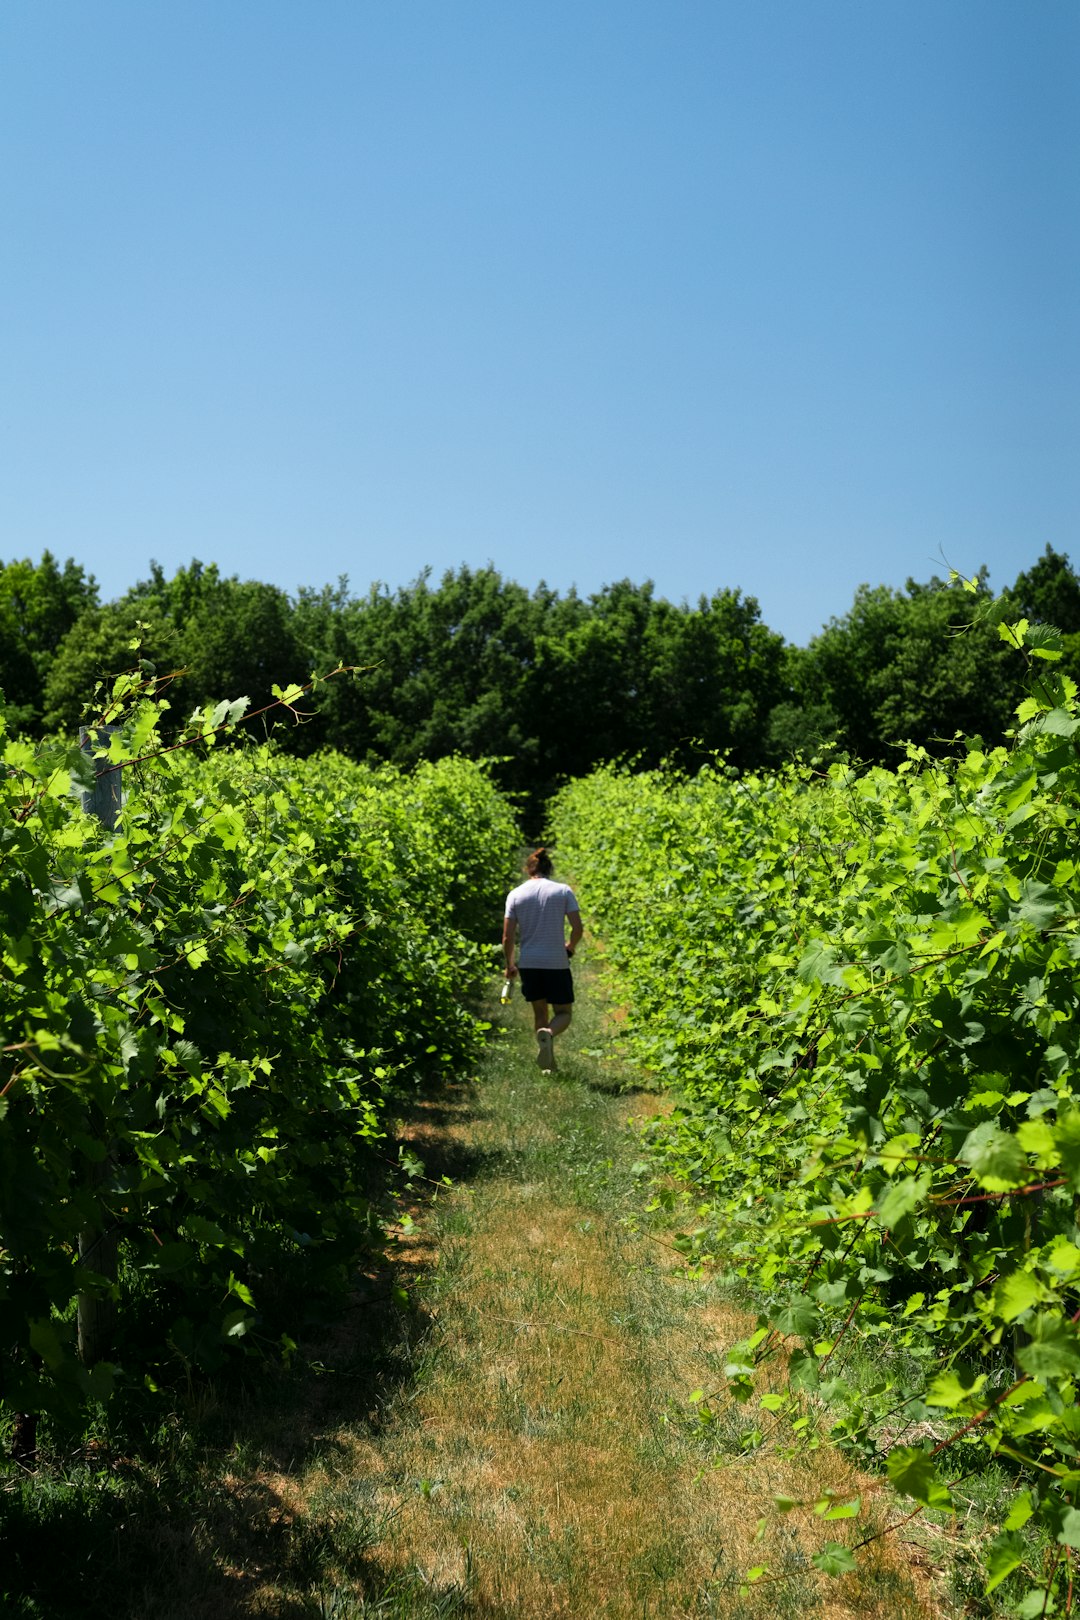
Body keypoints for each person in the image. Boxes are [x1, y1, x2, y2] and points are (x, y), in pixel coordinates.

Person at [502, 846, 583, 1071]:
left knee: (540, 1013)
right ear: (549, 869)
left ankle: (549, 1065)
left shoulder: (516, 894)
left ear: (528, 870)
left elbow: (507, 936)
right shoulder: (563, 891)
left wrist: (510, 964)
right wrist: (570, 946)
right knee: (563, 1013)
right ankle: (548, 1034)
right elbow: (577, 927)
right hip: (556, 961)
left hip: (529, 962)